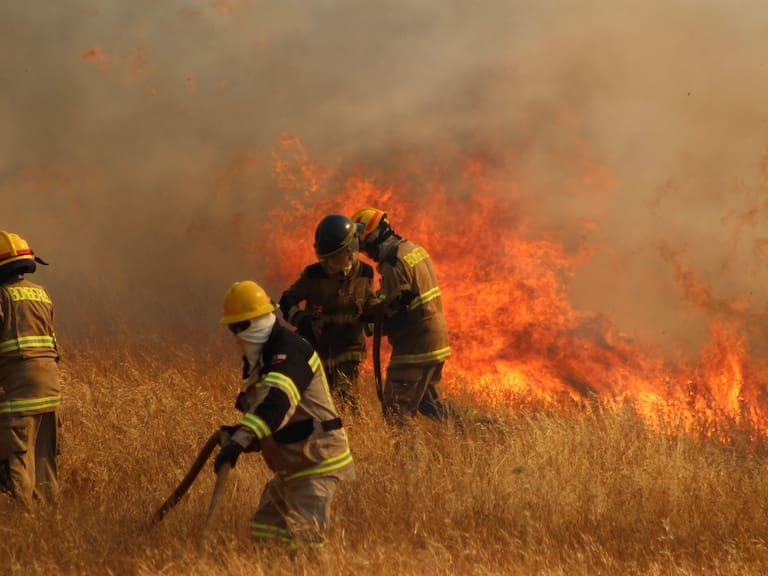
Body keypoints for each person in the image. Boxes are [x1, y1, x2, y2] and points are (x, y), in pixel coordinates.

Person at [214, 280, 355, 549]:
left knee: (307, 545)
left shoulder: (289, 351)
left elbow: (277, 404)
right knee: (265, 530)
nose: (235, 335)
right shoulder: (260, 358)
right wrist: (238, 437)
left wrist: (240, 440)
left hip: (317, 463)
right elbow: (267, 417)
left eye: (239, 327)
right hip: (293, 464)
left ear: (257, 321)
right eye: (232, 328)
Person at [350, 208, 452, 424]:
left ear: (375, 236)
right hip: (437, 339)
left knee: (396, 412)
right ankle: (483, 428)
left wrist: (368, 326)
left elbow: (401, 315)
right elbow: (407, 297)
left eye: (366, 248)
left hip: (416, 346)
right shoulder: (414, 250)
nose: (368, 254)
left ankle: (410, 458)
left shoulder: (394, 264)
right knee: (431, 405)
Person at [279, 214, 378, 412]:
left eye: (332, 259)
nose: (328, 265)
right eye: (324, 260)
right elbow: (286, 300)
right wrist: (301, 320)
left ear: (349, 251)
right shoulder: (313, 275)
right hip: (318, 352)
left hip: (349, 352)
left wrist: (376, 318)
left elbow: (370, 305)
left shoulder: (365, 273)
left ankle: (352, 439)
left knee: (348, 405)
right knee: (317, 406)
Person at [0, 231, 60, 508]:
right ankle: (52, 521)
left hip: (19, 393)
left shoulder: (2, 297)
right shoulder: (41, 295)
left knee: (16, 459)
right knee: (44, 460)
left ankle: (29, 524)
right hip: (50, 390)